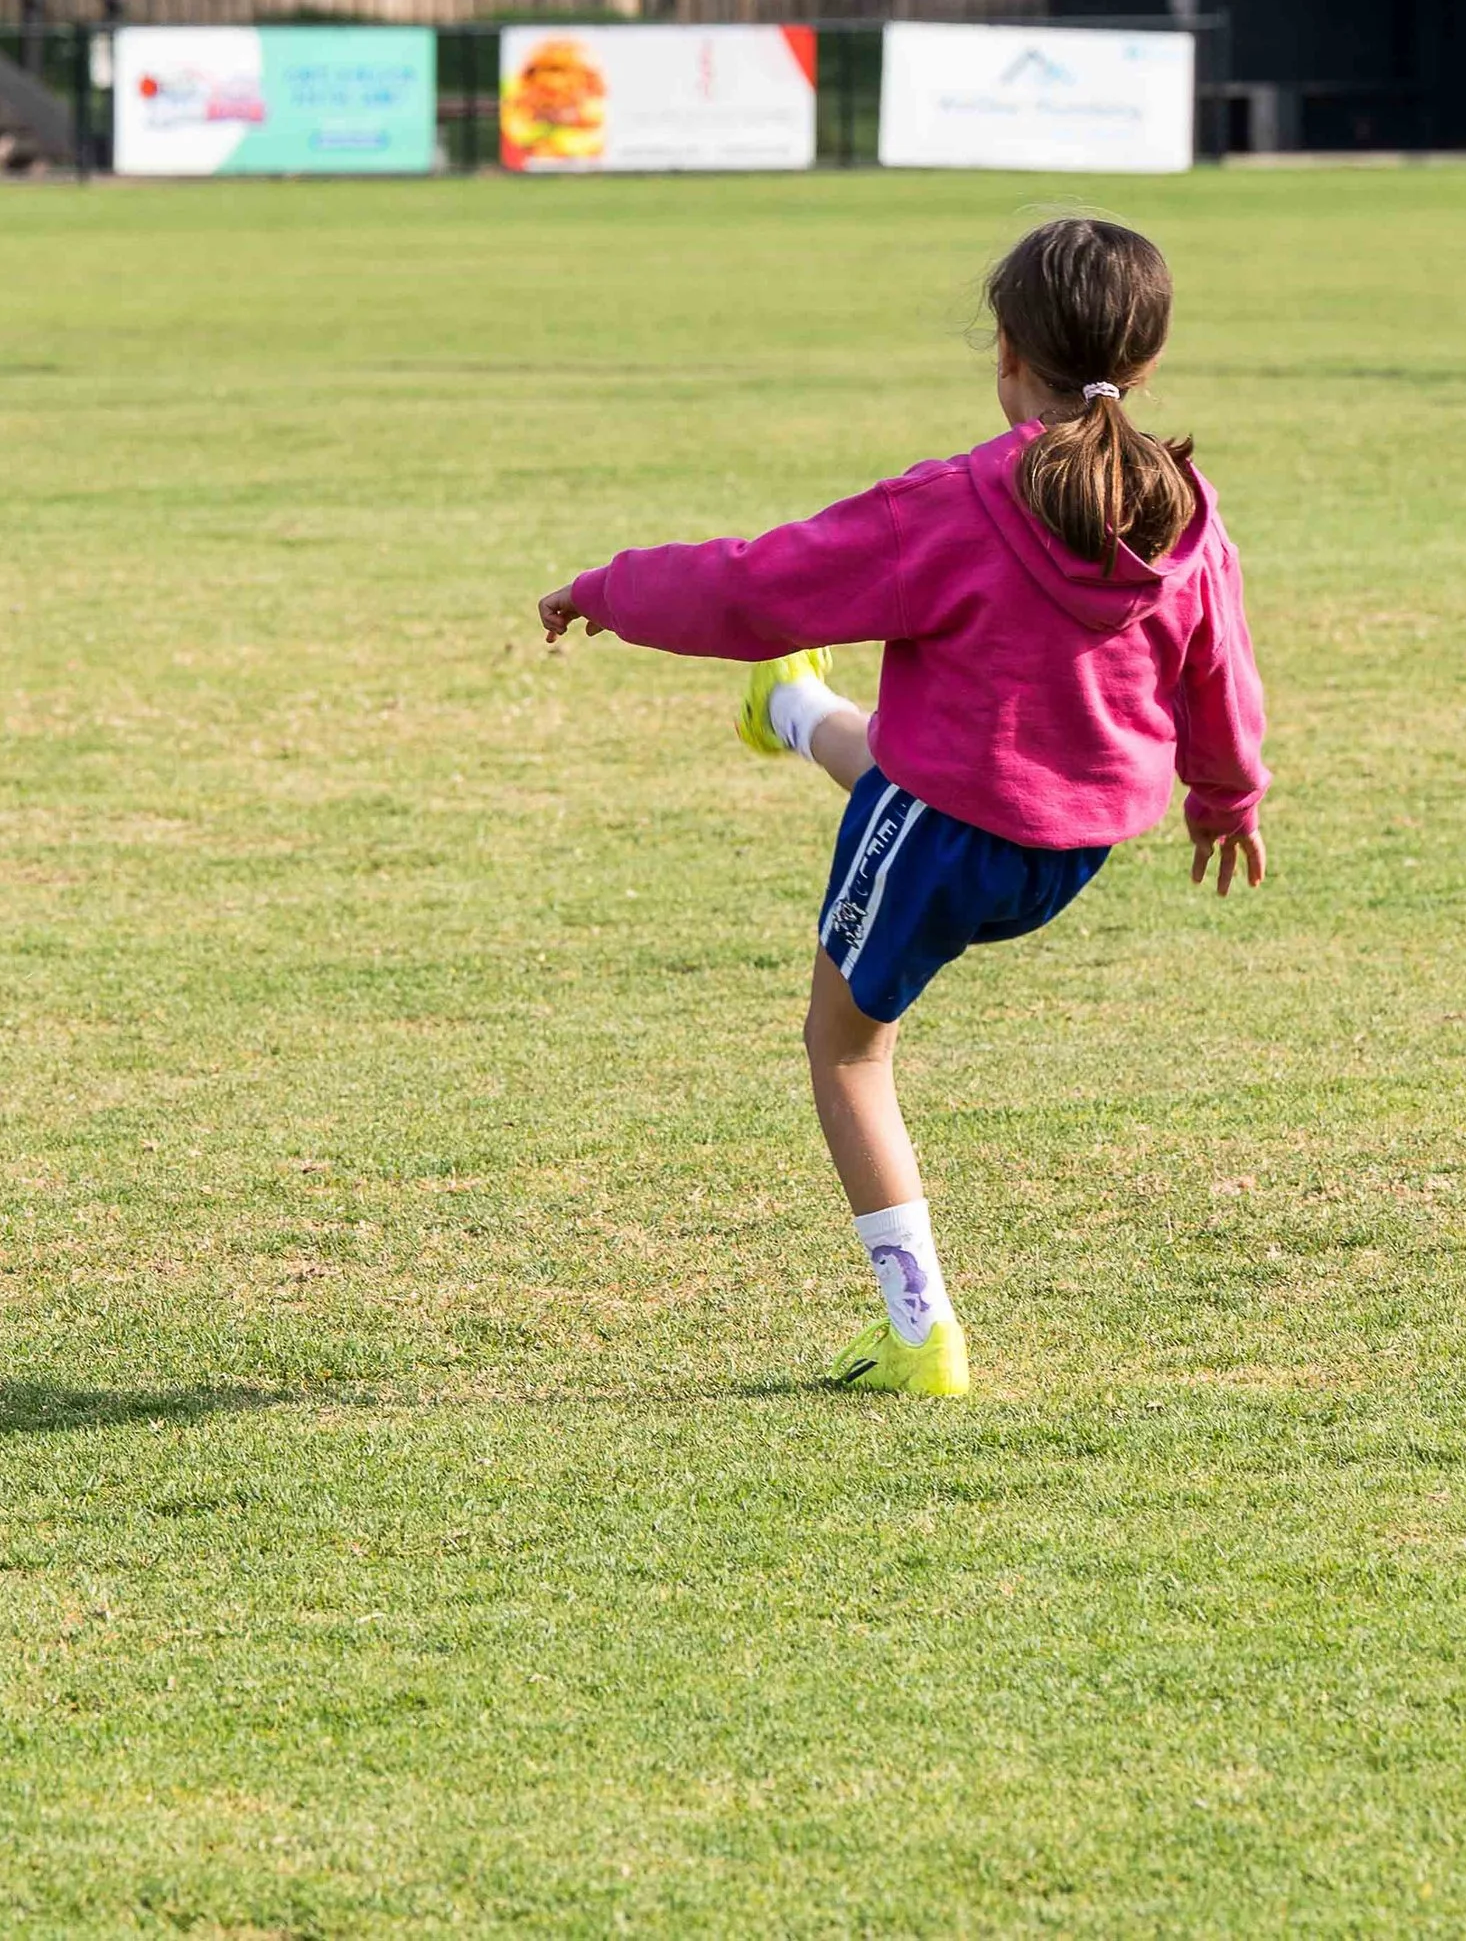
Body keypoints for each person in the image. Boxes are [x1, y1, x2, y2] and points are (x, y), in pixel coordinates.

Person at [536, 213, 1269, 1400]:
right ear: (1145, 364)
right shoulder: (1184, 506)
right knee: (904, 767)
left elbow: (754, 585)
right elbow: (1220, 665)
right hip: (1074, 844)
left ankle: (919, 1333)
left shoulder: (956, 504)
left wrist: (605, 592)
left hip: (944, 835)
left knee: (845, 1053)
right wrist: (1226, 795)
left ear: (1005, 357)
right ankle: (790, 710)